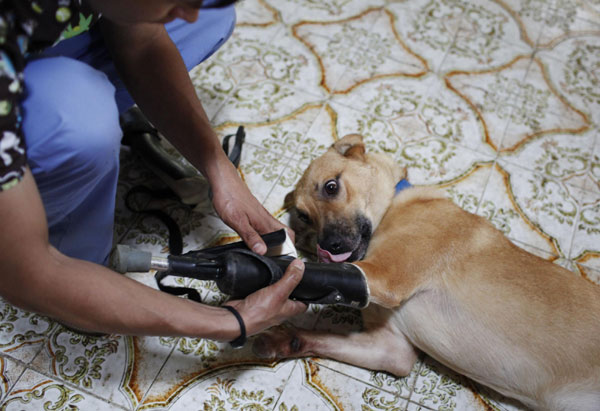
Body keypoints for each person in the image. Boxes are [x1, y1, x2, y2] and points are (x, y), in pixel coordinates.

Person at [0, 0, 307, 345]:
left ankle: (82, 109)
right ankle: (74, 251)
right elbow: (28, 274)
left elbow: (143, 42)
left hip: (33, 40)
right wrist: (230, 321)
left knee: (208, 18)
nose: (189, 10)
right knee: (81, 121)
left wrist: (220, 170)